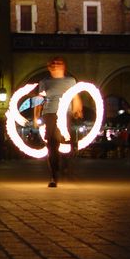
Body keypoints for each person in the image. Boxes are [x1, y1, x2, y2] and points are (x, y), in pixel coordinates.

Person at [36, 56, 83, 187]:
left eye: (59, 62)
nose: (55, 64)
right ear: (48, 67)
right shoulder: (44, 82)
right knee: (52, 145)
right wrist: (36, 115)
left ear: (64, 66)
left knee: (61, 140)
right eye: (53, 63)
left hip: (64, 115)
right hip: (49, 114)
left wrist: (78, 109)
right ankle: (54, 175)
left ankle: (65, 163)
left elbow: (75, 97)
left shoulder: (71, 81)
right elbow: (39, 100)